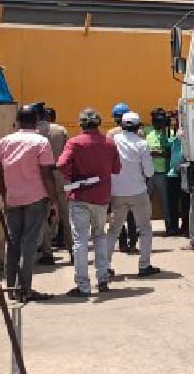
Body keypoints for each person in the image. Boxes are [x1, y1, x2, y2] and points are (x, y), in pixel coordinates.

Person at [0, 105, 58, 302]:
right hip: (35, 198)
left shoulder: (5, 141)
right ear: (37, 119)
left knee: (12, 242)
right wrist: (54, 200)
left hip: (13, 198)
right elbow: (47, 174)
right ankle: (26, 289)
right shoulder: (41, 142)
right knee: (29, 243)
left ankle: (12, 288)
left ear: (18, 120)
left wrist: (6, 197)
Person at [57, 108, 121, 296]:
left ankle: (83, 285)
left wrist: (72, 176)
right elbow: (116, 169)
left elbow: (61, 164)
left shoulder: (74, 143)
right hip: (101, 198)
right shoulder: (109, 143)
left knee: (80, 240)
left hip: (80, 196)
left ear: (81, 124)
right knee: (100, 236)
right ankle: (103, 278)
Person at [106, 112, 160, 277]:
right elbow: (150, 172)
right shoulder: (142, 144)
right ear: (138, 127)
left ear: (121, 125)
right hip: (138, 192)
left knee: (114, 230)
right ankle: (144, 266)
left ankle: (105, 267)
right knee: (144, 229)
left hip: (117, 192)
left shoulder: (112, 141)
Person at [34, 102, 70, 265]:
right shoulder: (60, 130)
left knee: (44, 214)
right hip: (60, 175)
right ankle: (73, 250)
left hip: (41, 175)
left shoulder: (33, 132)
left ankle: (47, 252)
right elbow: (69, 154)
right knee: (66, 214)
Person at [108, 102, 138, 253]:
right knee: (132, 213)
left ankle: (122, 243)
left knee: (118, 214)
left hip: (117, 179)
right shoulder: (138, 133)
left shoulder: (111, 134)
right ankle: (133, 243)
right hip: (134, 179)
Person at [146, 108, 172, 235]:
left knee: (166, 203)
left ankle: (170, 227)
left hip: (163, 173)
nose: (158, 122)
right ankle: (143, 228)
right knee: (145, 203)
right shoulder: (147, 133)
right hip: (149, 174)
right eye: (156, 120)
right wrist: (158, 153)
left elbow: (170, 152)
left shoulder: (170, 133)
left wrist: (158, 153)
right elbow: (144, 152)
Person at [166, 112, 189, 235]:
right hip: (172, 173)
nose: (172, 122)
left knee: (186, 202)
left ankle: (186, 227)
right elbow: (166, 143)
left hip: (184, 171)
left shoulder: (184, 131)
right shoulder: (169, 133)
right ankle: (173, 227)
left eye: (175, 119)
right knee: (172, 204)